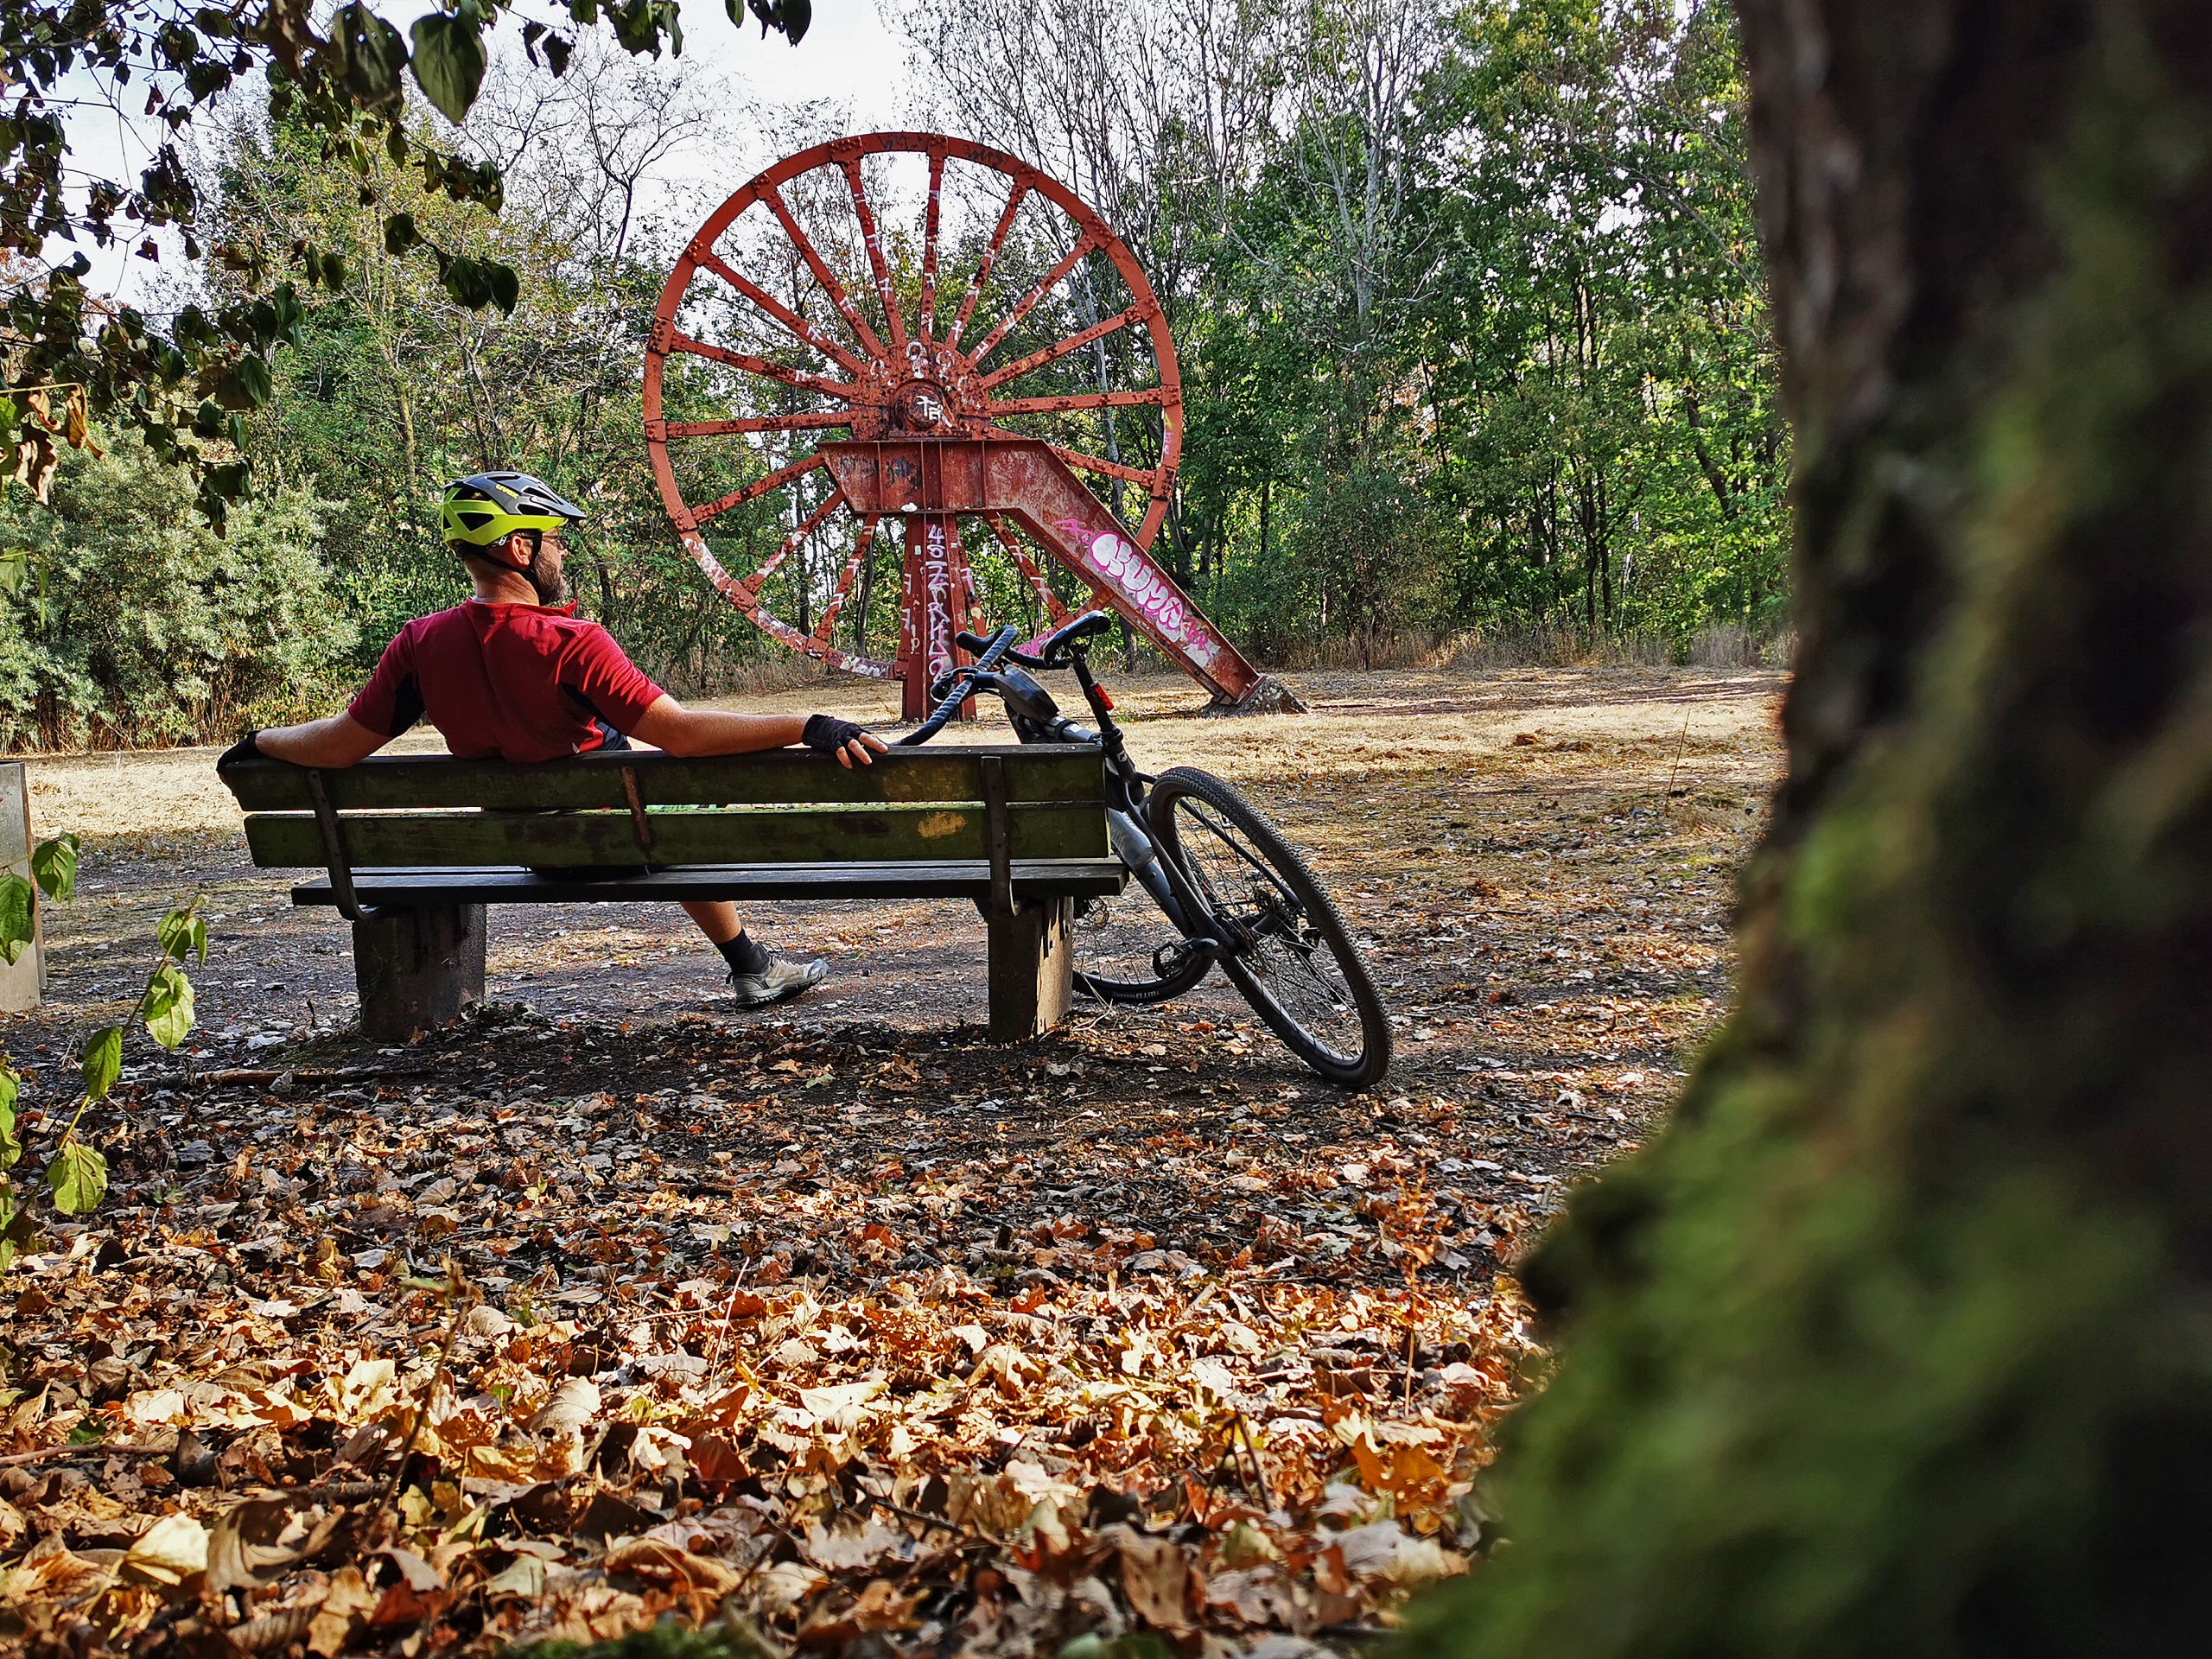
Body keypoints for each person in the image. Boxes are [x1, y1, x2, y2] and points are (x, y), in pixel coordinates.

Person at [218, 471, 887, 1007]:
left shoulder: (419, 646)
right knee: (679, 810)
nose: (561, 550)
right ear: (518, 549)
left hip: (526, 847)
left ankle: (751, 964)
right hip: (619, 842)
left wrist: (260, 741)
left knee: (653, 805)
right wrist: (808, 725)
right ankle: (752, 966)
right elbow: (679, 734)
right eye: (554, 538)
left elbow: (338, 746)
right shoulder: (574, 644)